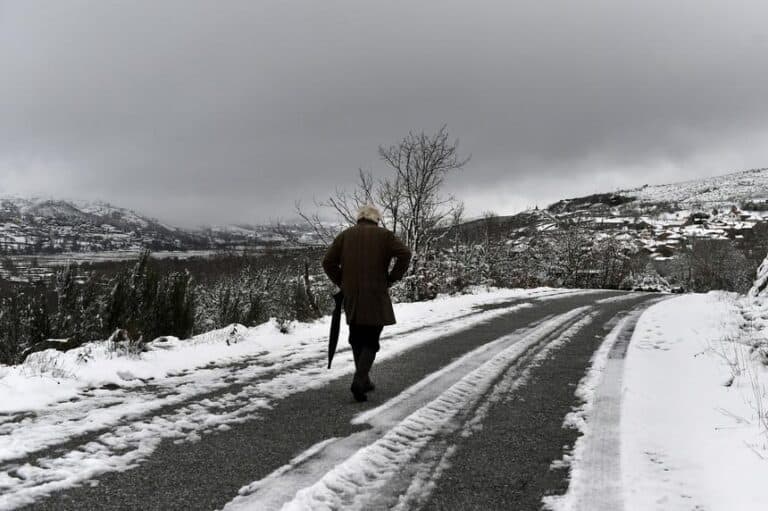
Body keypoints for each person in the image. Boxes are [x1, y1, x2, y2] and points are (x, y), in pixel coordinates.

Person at [322, 205, 412, 402]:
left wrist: (343, 282)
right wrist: (391, 278)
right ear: (376, 219)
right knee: (371, 338)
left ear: (359, 219)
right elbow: (405, 254)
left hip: (352, 294)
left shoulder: (346, 235)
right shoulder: (384, 235)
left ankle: (364, 379)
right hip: (376, 292)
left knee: (356, 337)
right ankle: (359, 379)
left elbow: (327, 262)